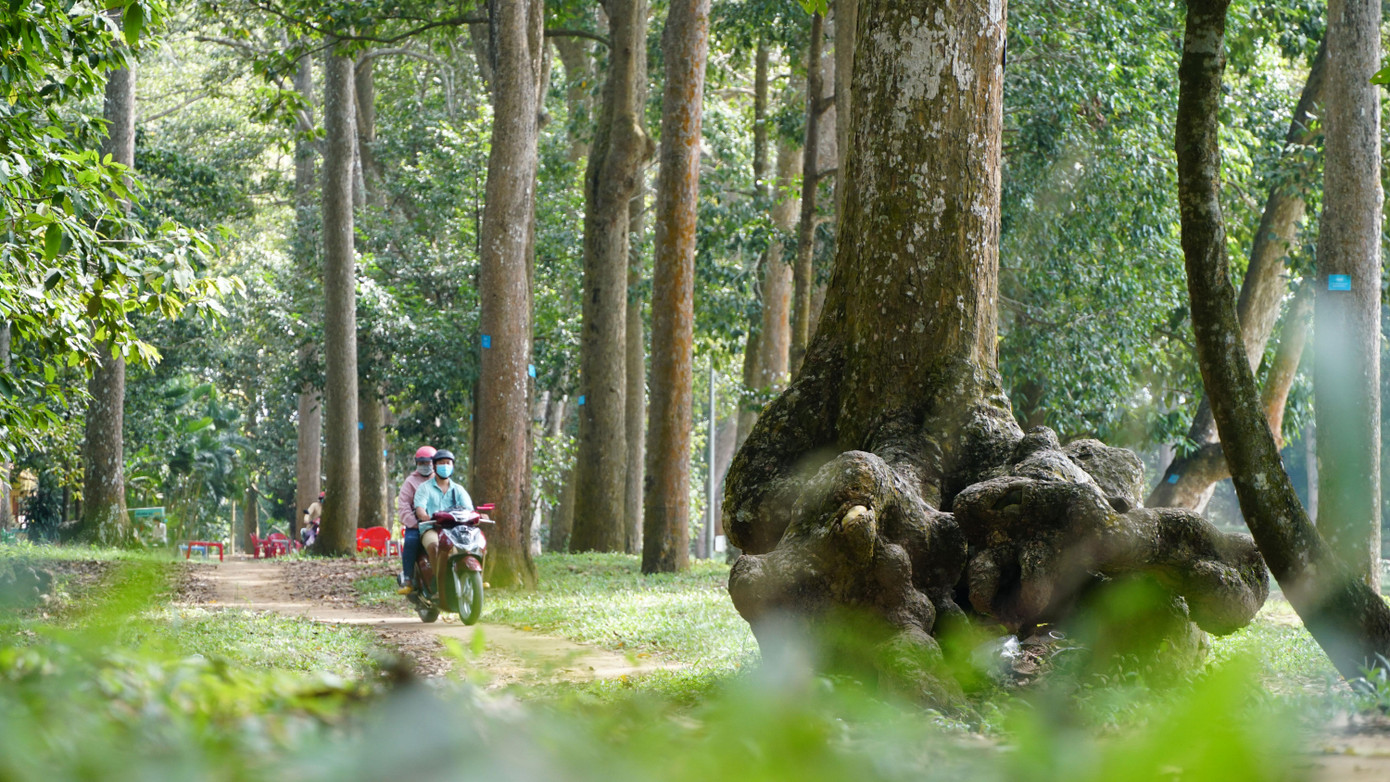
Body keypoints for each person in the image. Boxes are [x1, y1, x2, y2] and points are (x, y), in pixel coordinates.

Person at [411, 449, 473, 591]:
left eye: (448, 463)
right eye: (441, 463)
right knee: (435, 546)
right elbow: (419, 507)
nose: (445, 466)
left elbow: (469, 509)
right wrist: (423, 515)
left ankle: (472, 577)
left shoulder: (458, 489)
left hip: (455, 529)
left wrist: (478, 516)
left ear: (453, 466)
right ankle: (438, 581)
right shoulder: (425, 488)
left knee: (469, 546)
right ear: (434, 466)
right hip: (432, 528)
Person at [395, 445, 436, 594]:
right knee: (411, 541)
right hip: (417, 525)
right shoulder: (410, 482)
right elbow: (403, 505)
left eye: (429, 463)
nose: (426, 466)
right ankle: (408, 578)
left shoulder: (440, 480)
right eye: (422, 463)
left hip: (440, 523)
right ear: (417, 463)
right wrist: (414, 523)